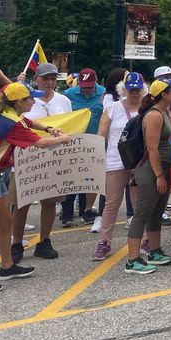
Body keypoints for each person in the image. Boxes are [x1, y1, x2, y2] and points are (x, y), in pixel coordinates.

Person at [0, 82, 73, 284]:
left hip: (1, 174)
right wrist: (62, 139)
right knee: (3, 221)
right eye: (31, 98)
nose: (35, 100)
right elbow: (40, 143)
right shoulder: (12, 123)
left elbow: (30, 123)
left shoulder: (11, 115)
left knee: (5, 221)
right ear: (21, 101)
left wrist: (49, 127)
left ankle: (7, 266)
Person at [12, 63, 72, 262]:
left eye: (53, 79)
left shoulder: (63, 100)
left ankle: (44, 241)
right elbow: (21, 124)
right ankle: (16, 243)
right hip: (26, 158)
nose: (50, 82)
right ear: (36, 78)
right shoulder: (27, 101)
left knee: (50, 202)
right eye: (46, 78)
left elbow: (71, 124)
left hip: (54, 159)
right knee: (23, 203)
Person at [124, 78, 171, 274]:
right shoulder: (154, 116)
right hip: (151, 169)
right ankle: (132, 260)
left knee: (156, 211)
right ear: (164, 94)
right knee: (142, 213)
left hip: (162, 167)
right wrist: (159, 176)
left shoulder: (163, 112)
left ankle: (154, 251)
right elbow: (153, 149)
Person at [92, 72, 145, 262]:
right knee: (111, 203)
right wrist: (95, 159)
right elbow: (101, 135)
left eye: (138, 89)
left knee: (139, 204)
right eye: (131, 89)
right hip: (116, 160)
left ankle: (144, 240)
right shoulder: (112, 108)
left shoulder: (146, 108)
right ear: (124, 90)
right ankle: (104, 242)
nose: (134, 93)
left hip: (139, 162)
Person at [62, 67, 106, 227]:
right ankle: (66, 213)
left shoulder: (104, 94)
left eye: (89, 86)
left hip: (94, 142)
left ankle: (86, 210)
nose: (86, 89)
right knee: (71, 179)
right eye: (83, 86)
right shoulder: (68, 95)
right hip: (73, 142)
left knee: (89, 179)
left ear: (96, 82)